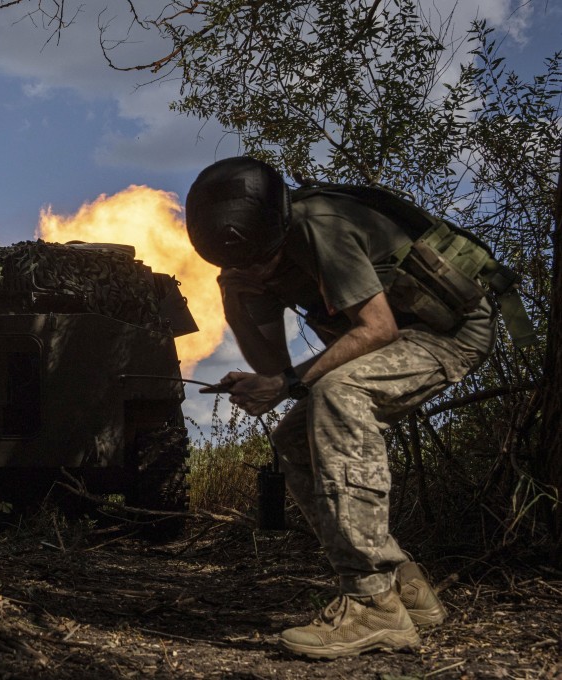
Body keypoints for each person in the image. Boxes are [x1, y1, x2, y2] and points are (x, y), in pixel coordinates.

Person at [185, 157, 496, 659]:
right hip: (396, 337)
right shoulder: (243, 264)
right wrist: (239, 306)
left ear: (278, 228)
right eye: (238, 265)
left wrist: (286, 382)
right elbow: (273, 368)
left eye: (258, 261)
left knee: (339, 393)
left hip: (448, 332)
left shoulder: (319, 226)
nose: (251, 270)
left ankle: (372, 603)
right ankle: (405, 586)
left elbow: (378, 330)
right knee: (291, 435)